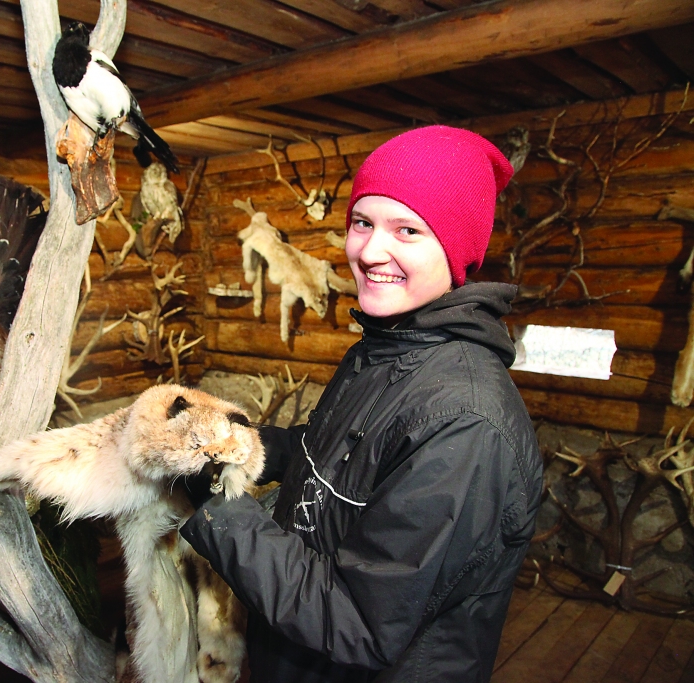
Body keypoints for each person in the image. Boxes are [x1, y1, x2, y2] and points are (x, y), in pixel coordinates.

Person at [181, 125, 544, 683]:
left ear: (456, 249)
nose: (372, 250)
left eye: (408, 230)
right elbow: (334, 456)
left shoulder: (465, 423)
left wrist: (217, 509)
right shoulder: (386, 350)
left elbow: (358, 621)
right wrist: (235, 444)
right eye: (363, 223)